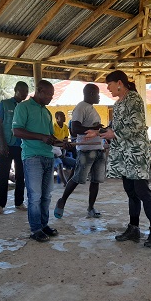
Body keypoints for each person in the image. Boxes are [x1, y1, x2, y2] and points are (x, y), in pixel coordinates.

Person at [85, 70, 151, 248]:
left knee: (142, 191)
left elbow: (137, 125)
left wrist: (114, 133)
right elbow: (114, 127)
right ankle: (133, 228)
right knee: (130, 191)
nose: (108, 89)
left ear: (119, 83)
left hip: (136, 152)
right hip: (124, 154)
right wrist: (97, 132)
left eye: (110, 85)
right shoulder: (118, 103)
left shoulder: (133, 99)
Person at [13, 80, 65, 243]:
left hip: (48, 156)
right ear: (40, 91)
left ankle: (44, 225)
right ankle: (35, 229)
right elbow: (16, 131)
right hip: (32, 156)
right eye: (49, 94)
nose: (51, 98)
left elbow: (51, 137)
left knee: (46, 195)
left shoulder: (47, 112)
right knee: (35, 196)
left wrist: (62, 143)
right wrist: (41, 137)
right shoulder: (23, 107)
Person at [54, 83, 106, 219]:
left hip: (98, 149)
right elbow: (75, 129)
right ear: (90, 94)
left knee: (95, 181)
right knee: (77, 178)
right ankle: (62, 201)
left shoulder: (90, 108)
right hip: (86, 150)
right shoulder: (81, 107)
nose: (99, 97)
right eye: (97, 94)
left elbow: (91, 128)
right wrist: (95, 130)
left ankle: (91, 208)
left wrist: (100, 130)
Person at [0, 81, 29, 215]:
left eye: (26, 91)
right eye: (22, 91)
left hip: (22, 146)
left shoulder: (27, 106)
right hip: (7, 145)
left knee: (21, 175)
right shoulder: (4, 104)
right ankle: (0, 205)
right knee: (3, 175)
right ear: (15, 90)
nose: (25, 94)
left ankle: (19, 202)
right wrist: (2, 144)